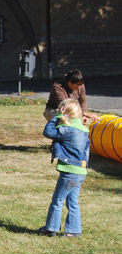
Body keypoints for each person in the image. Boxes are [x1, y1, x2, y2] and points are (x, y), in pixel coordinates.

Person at [38, 99, 90, 237]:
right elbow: (86, 152)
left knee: (58, 200)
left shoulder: (66, 130)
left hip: (69, 171)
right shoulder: (84, 130)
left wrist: (57, 117)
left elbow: (48, 132)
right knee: (73, 201)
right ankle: (74, 230)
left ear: (64, 112)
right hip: (80, 171)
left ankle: (51, 228)